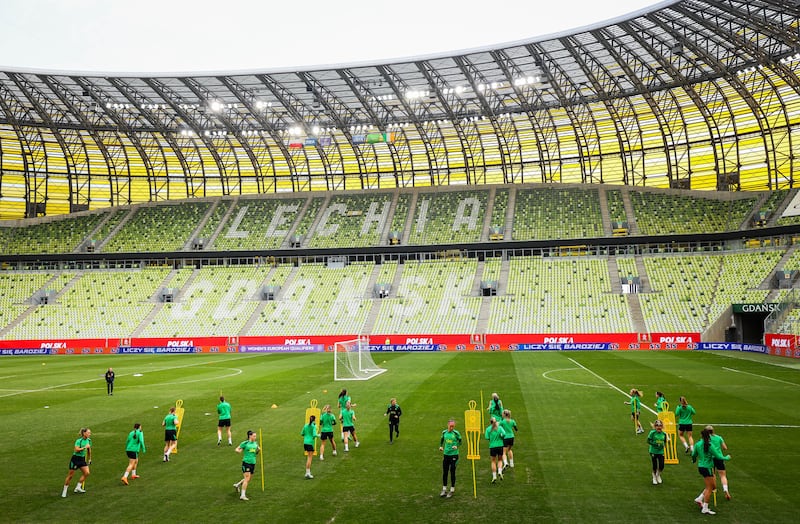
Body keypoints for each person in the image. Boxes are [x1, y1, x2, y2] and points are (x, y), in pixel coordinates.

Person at [691, 427, 731, 515]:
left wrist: (693, 460)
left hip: (701, 467)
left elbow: (693, 455)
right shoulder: (709, 445)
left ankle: (699, 499)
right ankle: (705, 508)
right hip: (708, 467)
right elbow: (718, 456)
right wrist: (726, 457)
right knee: (710, 488)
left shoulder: (698, 444)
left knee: (712, 486)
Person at [62, 428, 92, 498]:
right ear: (84, 433)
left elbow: (89, 450)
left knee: (87, 473)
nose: (90, 434)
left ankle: (78, 487)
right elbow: (76, 449)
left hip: (82, 459)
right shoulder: (79, 441)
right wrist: (85, 447)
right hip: (75, 459)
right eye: (88, 433)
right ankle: (64, 490)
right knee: (70, 476)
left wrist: (90, 459)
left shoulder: (89, 441)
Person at [706, 425, 731, 500]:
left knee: (713, 474)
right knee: (723, 475)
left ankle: (714, 488)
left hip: (711, 459)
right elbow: (725, 447)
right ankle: (726, 490)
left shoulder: (706, 439)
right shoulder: (719, 437)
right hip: (719, 458)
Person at [234, 430, 260, 501]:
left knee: (248, 479)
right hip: (246, 463)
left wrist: (258, 450)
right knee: (247, 478)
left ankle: (237, 485)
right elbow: (237, 449)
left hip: (253, 463)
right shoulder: (245, 443)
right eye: (254, 436)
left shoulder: (255, 443)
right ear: (250, 436)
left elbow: (256, 452)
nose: (255, 437)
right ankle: (242, 495)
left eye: (255, 436)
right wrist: (238, 451)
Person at [439, 418, 462, 498]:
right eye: (450, 426)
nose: (452, 428)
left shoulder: (456, 433)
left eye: (453, 426)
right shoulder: (444, 433)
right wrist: (441, 446)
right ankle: (444, 489)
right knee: (445, 472)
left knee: (452, 471)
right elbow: (441, 440)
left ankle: (452, 489)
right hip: (446, 454)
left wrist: (457, 446)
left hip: (454, 455)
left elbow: (460, 441)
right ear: (448, 425)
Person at [484, 416, 506, 483]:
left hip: (492, 447)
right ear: (496, 421)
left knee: (493, 461)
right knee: (500, 460)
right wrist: (501, 437)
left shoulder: (488, 429)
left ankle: (494, 476)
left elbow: (486, 437)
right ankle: (499, 471)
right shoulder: (500, 428)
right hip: (500, 446)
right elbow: (504, 434)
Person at [646, 419, 666, 485]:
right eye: (657, 425)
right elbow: (648, 441)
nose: (659, 427)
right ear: (655, 426)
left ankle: (658, 475)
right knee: (654, 465)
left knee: (661, 465)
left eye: (660, 425)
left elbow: (665, 441)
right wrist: (654, 443)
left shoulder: (664, 434)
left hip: (661, 451)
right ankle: (654, 477)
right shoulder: (652, 433)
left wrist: (663, 445)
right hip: (653, 451)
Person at [301, 415, 319, 479]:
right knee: (309, 458)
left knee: (308, 457)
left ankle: (307, 472)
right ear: (314, 420)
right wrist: (319, 435)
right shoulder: (313, 427)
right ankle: (307, 473)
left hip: (305, 442)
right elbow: (314, 435)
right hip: (310, 443)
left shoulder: (305, 425)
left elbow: (302, 433)